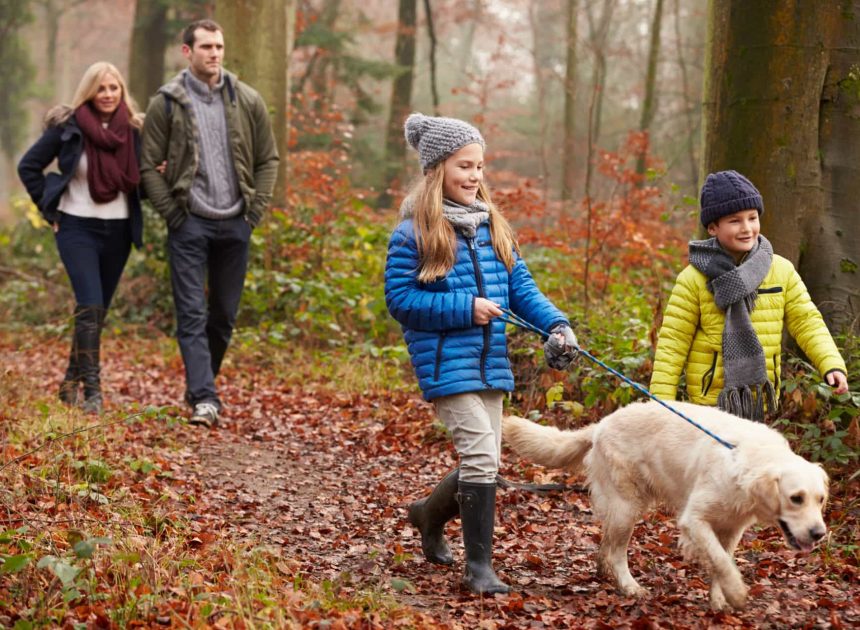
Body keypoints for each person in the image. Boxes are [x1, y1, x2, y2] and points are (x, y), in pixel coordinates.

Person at [385, 113, 579, 595]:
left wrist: (556, 325)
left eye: (479, 166)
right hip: (444, 362)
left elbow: (522, 289)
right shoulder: (413, 233)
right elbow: (402, 301)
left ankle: (427, 517)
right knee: (477, 456)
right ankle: (479, 569)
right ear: (437, 170)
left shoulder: (494, 226)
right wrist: (464, 307)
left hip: (489, 362)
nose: (474, 176)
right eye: (464, 166)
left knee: (486, 463)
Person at [140, 19, 279, 429]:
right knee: (191, 315)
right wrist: (173, 214)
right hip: (190, 223)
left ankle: (201, 385)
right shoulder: (165, 103)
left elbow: (268, 159)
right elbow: (148, 164)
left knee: (224, 315)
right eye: (205, 47)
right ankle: (205, 396)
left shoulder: (247, 99)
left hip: (236, 221)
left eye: (219, 46)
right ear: (187, 52)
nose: (214, 53)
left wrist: (254, 213)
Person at [650, 170, 848, 421]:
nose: (747, 228)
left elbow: (807, 321)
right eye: (734, 221)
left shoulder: (781, 270)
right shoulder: (693, 279)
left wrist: (831, 363)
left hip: (760, 399)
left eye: (752, 218)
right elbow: (673, 344)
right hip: (709, 404)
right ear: (713, 227)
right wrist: (660, 407)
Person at [18, 61, 144, 415]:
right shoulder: (69, 128)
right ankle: (93, 392)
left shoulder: (134, 131)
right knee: (89, 305)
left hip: (118, 230)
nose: (107, 94)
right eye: (100, 88)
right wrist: (50, 210)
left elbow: (140, 182)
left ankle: (69, 383)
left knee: (97, 312)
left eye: (113, 88)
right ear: (89, 92)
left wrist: (157, 173)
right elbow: (28, 166)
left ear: (121, 91)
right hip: (76, 229)